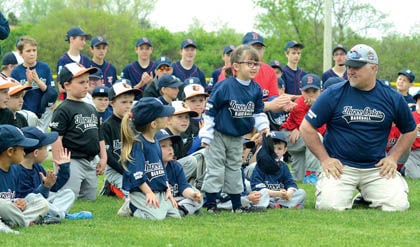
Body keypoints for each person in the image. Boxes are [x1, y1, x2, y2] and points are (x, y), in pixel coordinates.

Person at [300, 44, 417, 211]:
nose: (350, 70)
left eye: (356, 66)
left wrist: (393, 157)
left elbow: (410, 129)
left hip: (375, 168)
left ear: (374, 68)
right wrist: (325, 159)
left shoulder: (391, 97)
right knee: (329, 206)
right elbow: (306, 127)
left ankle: (367, 195)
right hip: (341, 167)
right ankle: (358, 193)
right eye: (348, 66)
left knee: (398, 205)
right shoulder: (334, 93)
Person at [199, 45, 270, 213]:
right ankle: (211, 204)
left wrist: (264, 127)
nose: (254, 67)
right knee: (216, 169)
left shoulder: (255, 89)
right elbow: (210, 111)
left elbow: (258, 111)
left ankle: (236, 205)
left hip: (238, 136)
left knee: (234, 168)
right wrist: (206, 135)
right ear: (236, 66)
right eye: (249, 63)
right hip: (218, 134)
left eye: (256, 63)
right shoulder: (225, 86)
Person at [50, 63, 107, 201]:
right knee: (69, 196)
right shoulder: (63, 109)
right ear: (67, 85)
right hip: (72, 160)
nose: (86, 86)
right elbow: (56, 138)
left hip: (91, 160)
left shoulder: (90, 108)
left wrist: (103, 157)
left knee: (90, 198)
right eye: (81, 82)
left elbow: (99, 135)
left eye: (87, 82)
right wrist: (59, 163)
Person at [117, 97, 180, 220]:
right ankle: (131, 206)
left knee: (175, 216)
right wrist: (148, 193)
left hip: (158, 190)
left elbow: (162, 169)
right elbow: (137, 174)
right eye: (163, 115)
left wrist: (168, 189)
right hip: (141, 192)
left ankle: (153, 206)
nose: (167, 117)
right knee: (156, 217)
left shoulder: (156, 141)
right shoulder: (138, 144)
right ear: (154, 124)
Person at [16, 127, 77, 223]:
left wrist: (64, 168)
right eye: (45, 148)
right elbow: (25, 198)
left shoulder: (37, 167)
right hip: (29, 204)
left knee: (68, 193)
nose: (48, 151)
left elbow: (54, 187)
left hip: (43, 201)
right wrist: (45, 187)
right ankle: (56, 215)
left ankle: (54, 214)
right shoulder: (17, 170)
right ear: (36, 153)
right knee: (34, 198)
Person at [0, 124, 49, 234]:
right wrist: (10, 205)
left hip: (10, 211)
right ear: (10, 151)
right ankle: (18, 223)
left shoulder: (15, 170)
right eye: (22, 149)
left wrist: (19, 202)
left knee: (41, 203)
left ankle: (14, 222)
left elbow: (13, 197)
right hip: (4, 209)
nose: (24, 152)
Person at [280, 74, 325, 183]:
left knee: (298, 178)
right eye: (307, 91)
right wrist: (315, 107)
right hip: (288, 137)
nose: (310, 95)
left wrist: (299, 129)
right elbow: (314, 129)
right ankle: (311, 173)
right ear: (301, 91)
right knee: (315, 137)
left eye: (314, 91)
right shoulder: (299, 104)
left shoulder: (324, 103)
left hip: (300, 138)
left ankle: (286, 176)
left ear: (321, 91)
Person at [101, 80, 140, 198]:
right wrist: (126, 173)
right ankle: (111, 186)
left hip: (133, 168)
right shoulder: (107, 126)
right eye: (123, 102)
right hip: (115, 169)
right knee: (133, 194)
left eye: (130, 102)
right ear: (111, 102)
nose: (128, 106)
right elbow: (108, 157)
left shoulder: (134, 124)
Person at [11, 36, 58, 132]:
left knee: (42, 141)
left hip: (43, 113)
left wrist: (37, 80)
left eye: (34, 50)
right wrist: (28, 83)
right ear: (20, 53)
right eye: (28, 51)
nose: (32, 54)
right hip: (25, 113)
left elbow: (51, 91)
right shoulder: (16, 72)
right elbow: (14, 97)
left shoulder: (44, 67)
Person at [251, 131, 306, 208]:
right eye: (272, 148)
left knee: (301, 193)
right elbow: (257, 187)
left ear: (285, 150)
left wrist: (289, 193)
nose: (275, 152)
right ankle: (285, 205)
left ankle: (278, 205)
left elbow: (290, 183)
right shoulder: (260, 165)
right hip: (268, 195)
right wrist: (277, 193)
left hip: (280, 197)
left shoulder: (284, 166)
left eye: (279, 148)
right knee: (259, 194)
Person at [156, 129, 203, 216]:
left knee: (196, 197)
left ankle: (180, 210)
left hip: (176, 199)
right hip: (160, 200)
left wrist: (193, 195)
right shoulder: (152, 167)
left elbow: (183, 187)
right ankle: (182, 210)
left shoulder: (176, 166)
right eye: (163, 146)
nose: (170, 148)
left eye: (170, 145)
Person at [57, 27, 92, 100]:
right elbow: (61, 88)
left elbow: (90, 84)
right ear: (71, 39)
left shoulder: (86, 60)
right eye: (81, 39)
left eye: (85, 40)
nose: (84, 43)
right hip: (69, 101)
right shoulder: (63, 60)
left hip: (86, 100)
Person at [404, 90, 420, 178]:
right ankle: (403, 168)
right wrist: (414, 130)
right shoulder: (410, 116)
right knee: (414, 176)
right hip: (413, 152)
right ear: (417, 101)